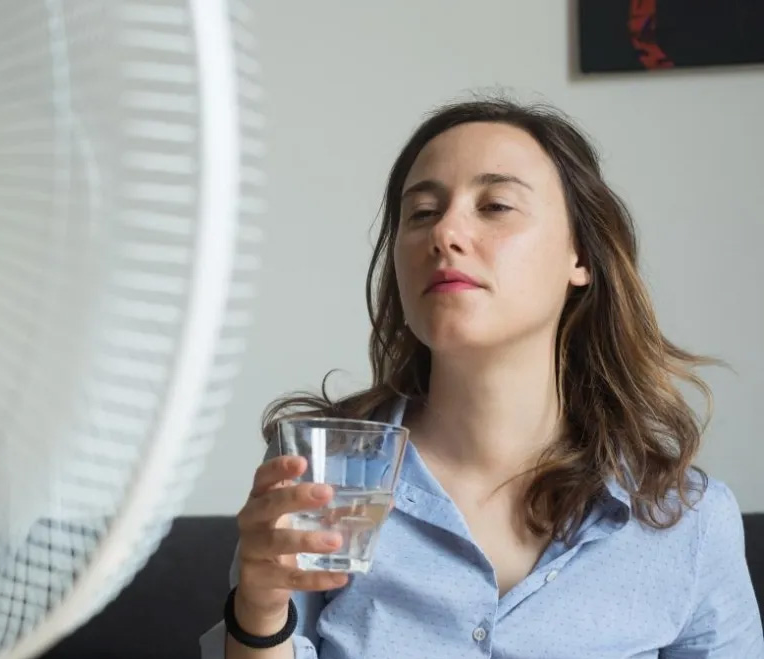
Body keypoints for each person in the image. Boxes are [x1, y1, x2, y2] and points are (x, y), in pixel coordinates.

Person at [198, 98, 764, 658]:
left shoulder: (688, 522)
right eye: (420, 213)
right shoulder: (326, 473)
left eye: (494, 206)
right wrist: (259, 614)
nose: (445, 233)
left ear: (581, 257)